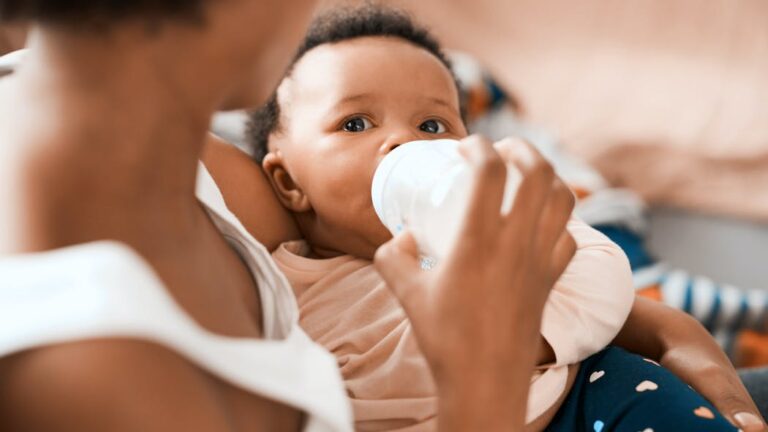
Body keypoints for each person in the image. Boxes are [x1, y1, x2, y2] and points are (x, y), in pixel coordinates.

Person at [0, 1, 583, 431]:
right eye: (355, 123)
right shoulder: (80, 368)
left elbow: (344, 249)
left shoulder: (161, 146)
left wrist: (661, 327)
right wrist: (482, 385)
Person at [240, 5, 738, 431]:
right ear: (287, 182)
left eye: (432, 125)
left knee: (636, 386)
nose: (404, 142)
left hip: (579, 401)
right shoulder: (278, 287)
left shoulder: (488, 235)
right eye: (355, 123)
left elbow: (603, 276)